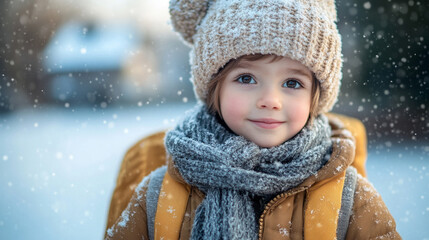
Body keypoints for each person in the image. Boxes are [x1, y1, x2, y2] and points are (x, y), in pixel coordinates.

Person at [105, 0, 401, 239]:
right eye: (246, 78)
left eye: (292, 83)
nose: (270, 100)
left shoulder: (350, 199)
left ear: (316, 98)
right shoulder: (159, 195)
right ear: (214, 89)